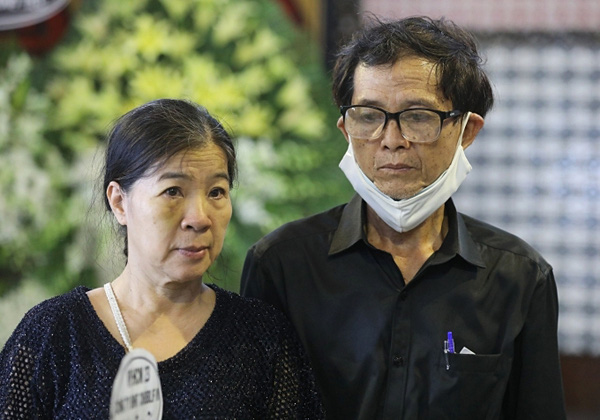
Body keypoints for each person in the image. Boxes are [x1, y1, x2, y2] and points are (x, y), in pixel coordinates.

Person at [240, 16, 566, 419]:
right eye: (368, 116)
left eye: (418, 116)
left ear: (467, 130)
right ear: (345, 129)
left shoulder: (519, 277)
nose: (392, 140)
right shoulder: (280, 265)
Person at [0, 99, 325, 418]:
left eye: (216, 192)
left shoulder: (262, 339)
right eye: (173, 191)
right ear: (119, 202)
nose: (199, 218)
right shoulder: (52, 335)